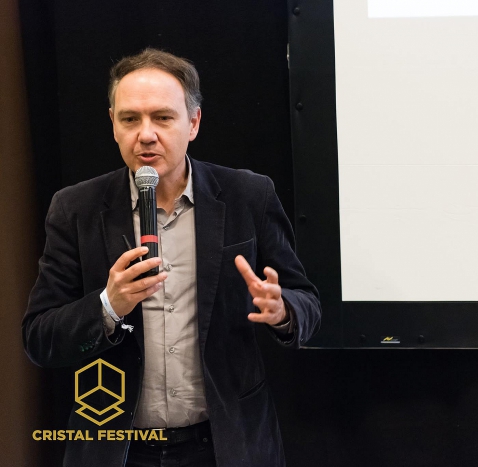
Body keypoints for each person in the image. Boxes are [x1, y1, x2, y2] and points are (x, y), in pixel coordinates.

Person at [22, 48, 321, 467]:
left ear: (193, 123)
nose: (145, 135)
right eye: (130, 119)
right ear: (113, 124)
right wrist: (108, 306)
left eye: (162, 117)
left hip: (226, 445)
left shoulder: (248, 196)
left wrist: (283, 309)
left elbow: (307, 302)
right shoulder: (76, 208)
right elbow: (40, 339)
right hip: (117, 449)